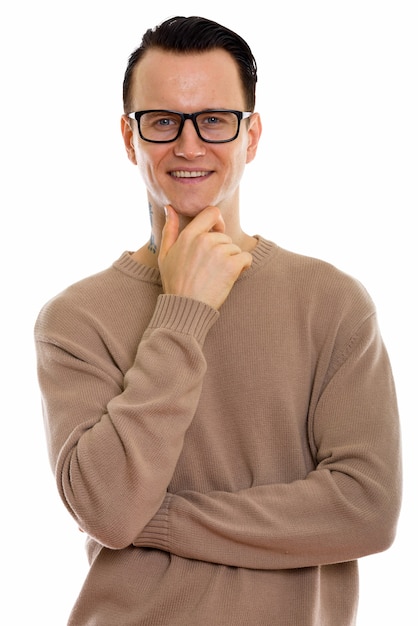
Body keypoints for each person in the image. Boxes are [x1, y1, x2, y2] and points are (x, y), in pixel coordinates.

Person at [34, 15, 402, 626]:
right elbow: (109, 508)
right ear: (130, 139)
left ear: (251, 135)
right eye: (162, 122)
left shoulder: (333, 303)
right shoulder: (75, 321)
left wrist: (164, 520)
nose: (188, 145)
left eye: (214, 119)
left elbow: (367, 508)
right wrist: (185, 311)